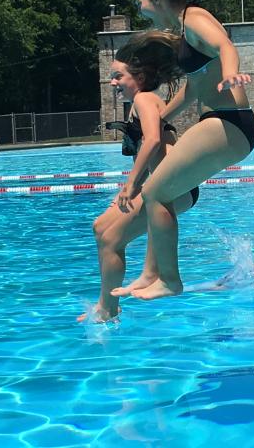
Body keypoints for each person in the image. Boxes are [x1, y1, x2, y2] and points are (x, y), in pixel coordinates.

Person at [116, 0, 254, 301]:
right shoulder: (178, 32)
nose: (139, 8)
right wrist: (163, 114)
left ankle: (170, 280)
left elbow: (225, 45)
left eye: (138, 0)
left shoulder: (193, 18)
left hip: (230, 123)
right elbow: (195, 88)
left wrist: (231, 73)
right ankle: (149, 274)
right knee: (161, 193)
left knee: (155, 193)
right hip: (220, 119)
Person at [81, 33, 199, 322]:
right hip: (163, 184)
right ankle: (106, 303)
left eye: (117, 76)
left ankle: (108, 311)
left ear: (140, 77)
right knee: (101, 227)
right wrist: (133, 189)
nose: (113, 83)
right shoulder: (140, 101)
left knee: (111, 240)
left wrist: (131, 184)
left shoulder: (146, 99)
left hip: (173, 187)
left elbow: (153, 141)